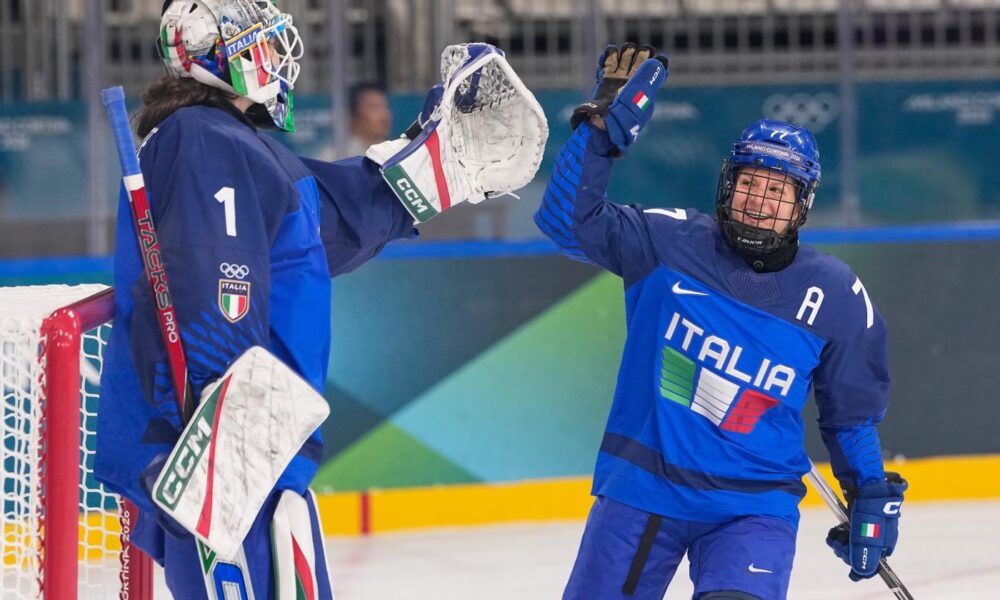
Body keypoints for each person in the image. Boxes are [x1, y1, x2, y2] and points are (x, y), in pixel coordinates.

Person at [94, 2, 524, 598]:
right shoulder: (203, 139)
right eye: (258, 33)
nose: (278, 45)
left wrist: (424, 164)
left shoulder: (235, 144)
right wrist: (223, 461)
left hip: (252, 459)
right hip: (225, 467)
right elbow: (220, 299)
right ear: (219, 50)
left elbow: (321, 223)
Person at [535, 43, 907, 600]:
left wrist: (871, 496)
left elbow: (850, 419)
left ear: (802, 204)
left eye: (777, 190)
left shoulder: (838, 295)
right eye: (750, 182)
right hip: (642, 490)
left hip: (753, 508)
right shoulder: (666, 241)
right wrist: (599, 130)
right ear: (726, 185)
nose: (759, 201)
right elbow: (565, 222)